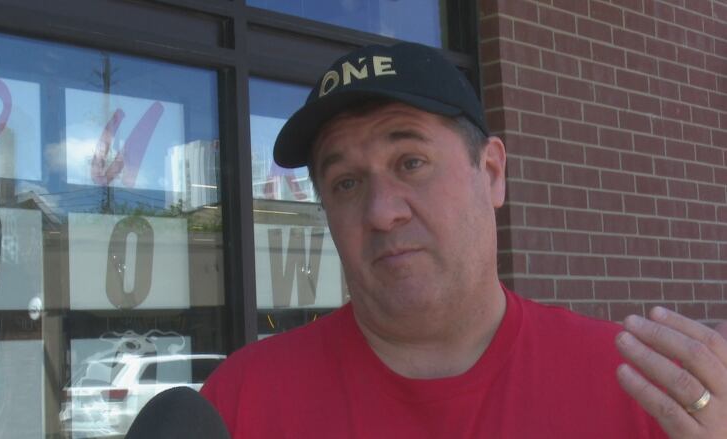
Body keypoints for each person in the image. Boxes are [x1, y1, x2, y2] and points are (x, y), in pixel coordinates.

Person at [201, 42, 727, 438]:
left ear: (492, 172)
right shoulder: (239, 403)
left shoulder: (649, 396)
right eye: (347, 183)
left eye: (411, 162)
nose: (382, 212)